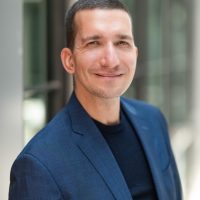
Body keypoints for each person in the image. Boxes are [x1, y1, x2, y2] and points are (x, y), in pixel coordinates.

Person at [9, 0, 182, 199]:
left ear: (135, 54)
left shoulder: (153, 120)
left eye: (122, 43)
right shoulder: (38, 164)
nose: (111, 60)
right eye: (93, 43)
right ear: (69, 60)